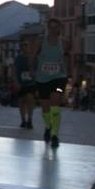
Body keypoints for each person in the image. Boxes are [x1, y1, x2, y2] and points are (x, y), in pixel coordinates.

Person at [34, 17, 73, 148]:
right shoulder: (40, 42)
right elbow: (32, 55)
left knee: (55, 103)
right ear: (47, 28)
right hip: (42, 78)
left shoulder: (64, 43)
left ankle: (55, 135)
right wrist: (31, 69)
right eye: (50, 26)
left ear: (59, 28)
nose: (53, 29)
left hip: (59, 77)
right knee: (45, 107)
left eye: (55, 27)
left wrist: (68, 73)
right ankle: (48, 126)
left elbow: (67, 57)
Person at [15, 34, 39, 129]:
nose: (24, 47)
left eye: (26, 45)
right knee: (21, 102)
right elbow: (14, 71)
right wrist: (16, 82)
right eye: (23, 45)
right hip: (21, 83)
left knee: (30, 99)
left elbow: (37, 71)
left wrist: (35, 77)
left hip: (31, 83)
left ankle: (30, 119)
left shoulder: (34, 58)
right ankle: (23, 120)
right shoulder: (18, 58)